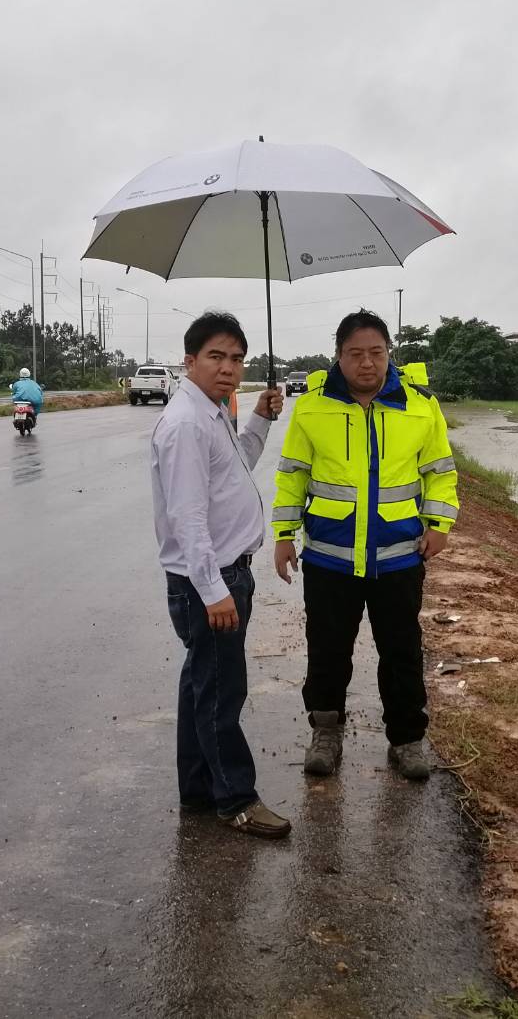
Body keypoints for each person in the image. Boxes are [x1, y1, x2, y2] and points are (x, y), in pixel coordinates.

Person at [273, 310, 460, 782]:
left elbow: (440, 472)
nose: (367, 363)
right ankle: (326, 732)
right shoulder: (311, 407)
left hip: (399, 556)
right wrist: (283, 535)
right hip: (329, 557)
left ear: (389, 354)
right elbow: (292, 475)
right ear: (338, 356)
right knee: (327, 649)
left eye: (376, 352)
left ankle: (407, 739)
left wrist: (439, 525)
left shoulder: (420, 406)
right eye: (355, 353)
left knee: (401, 650)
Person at [150, 312, 290, 839]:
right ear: (189, 361)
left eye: (236, 358)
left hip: (221, 575)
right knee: (220, 693)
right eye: (216, 356)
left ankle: (198, 790)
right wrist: (214, 591)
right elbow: (187, 518)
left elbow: (236, 468)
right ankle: (236, 798)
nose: (228, 368)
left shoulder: (210, 412)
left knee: (200, 686)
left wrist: (260, 420)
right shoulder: (188, 423)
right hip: (211, 581)